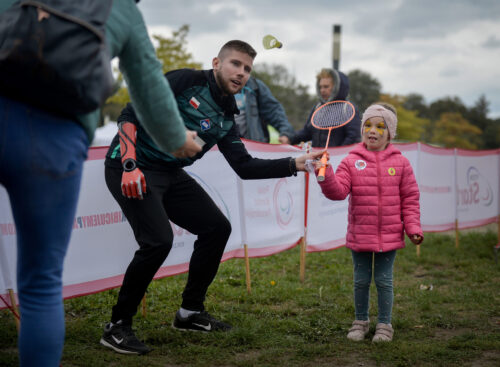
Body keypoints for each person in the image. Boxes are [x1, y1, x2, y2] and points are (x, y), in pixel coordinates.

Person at [0, 1, 201, 366]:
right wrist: (179, 140)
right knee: (40, 283)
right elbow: (149, 88)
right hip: (55, 138)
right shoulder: (122, 9)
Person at [100, 40, 324, 355]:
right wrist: (129, 165)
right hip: (129, 165)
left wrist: (294, 164)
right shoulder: (184, 81)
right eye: (236, 64)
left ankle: (189, 313)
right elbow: (129, 114)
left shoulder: (226, 117)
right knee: (158, 242)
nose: (241, 73)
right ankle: (117, 327)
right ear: (217, 62)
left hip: (170, 172)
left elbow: (245, 167)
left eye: (247, 69)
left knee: (217, 228)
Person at [311, 102, 423, 342]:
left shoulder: (401, 163)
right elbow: (338, 192)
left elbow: (410, 199)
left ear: (389, 133)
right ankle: (360, 322)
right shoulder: (351, 161)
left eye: (380, 126)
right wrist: (325, 172)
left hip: (390, 235)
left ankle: (384, 325)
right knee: (361, 280)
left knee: (384, 281)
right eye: (368, 125)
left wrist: (413, 227)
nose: (373, 130)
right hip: (360, 234)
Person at [291, 68, 361, 147]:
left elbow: (354, 137)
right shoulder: (317, 107)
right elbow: (307, 133)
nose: (322, 90)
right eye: (320, 87)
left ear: (337, 87)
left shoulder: (348, 108)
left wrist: (337, 155)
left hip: (338, 158)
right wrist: (289, 138)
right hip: (317, 158)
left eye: (326, 87)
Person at [234, 76, 295, 144]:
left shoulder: (255, 86)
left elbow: (274, 112)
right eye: (236, 65)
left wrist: (286, 133)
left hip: (254, 147)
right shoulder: (220, 88)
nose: (241, 71)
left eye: (247, 69)